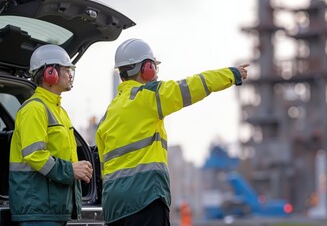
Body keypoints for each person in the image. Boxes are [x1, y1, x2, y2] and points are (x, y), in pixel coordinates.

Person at [95, 38, 249, 226]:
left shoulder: (108, 115)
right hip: (145, 198)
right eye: (153, 67)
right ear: (146, 68)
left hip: (114, 207)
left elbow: (104, 167)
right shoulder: (148, 96)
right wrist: (231, 74)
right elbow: (193, 86)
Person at [9, 44, 93, 226]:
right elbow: (35, 155)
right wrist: (71, 169)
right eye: (66, 69)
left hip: (53, 209)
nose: (70, 75)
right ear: (50, 73)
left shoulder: (60, 112)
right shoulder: (34, 109)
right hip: (38, 211)